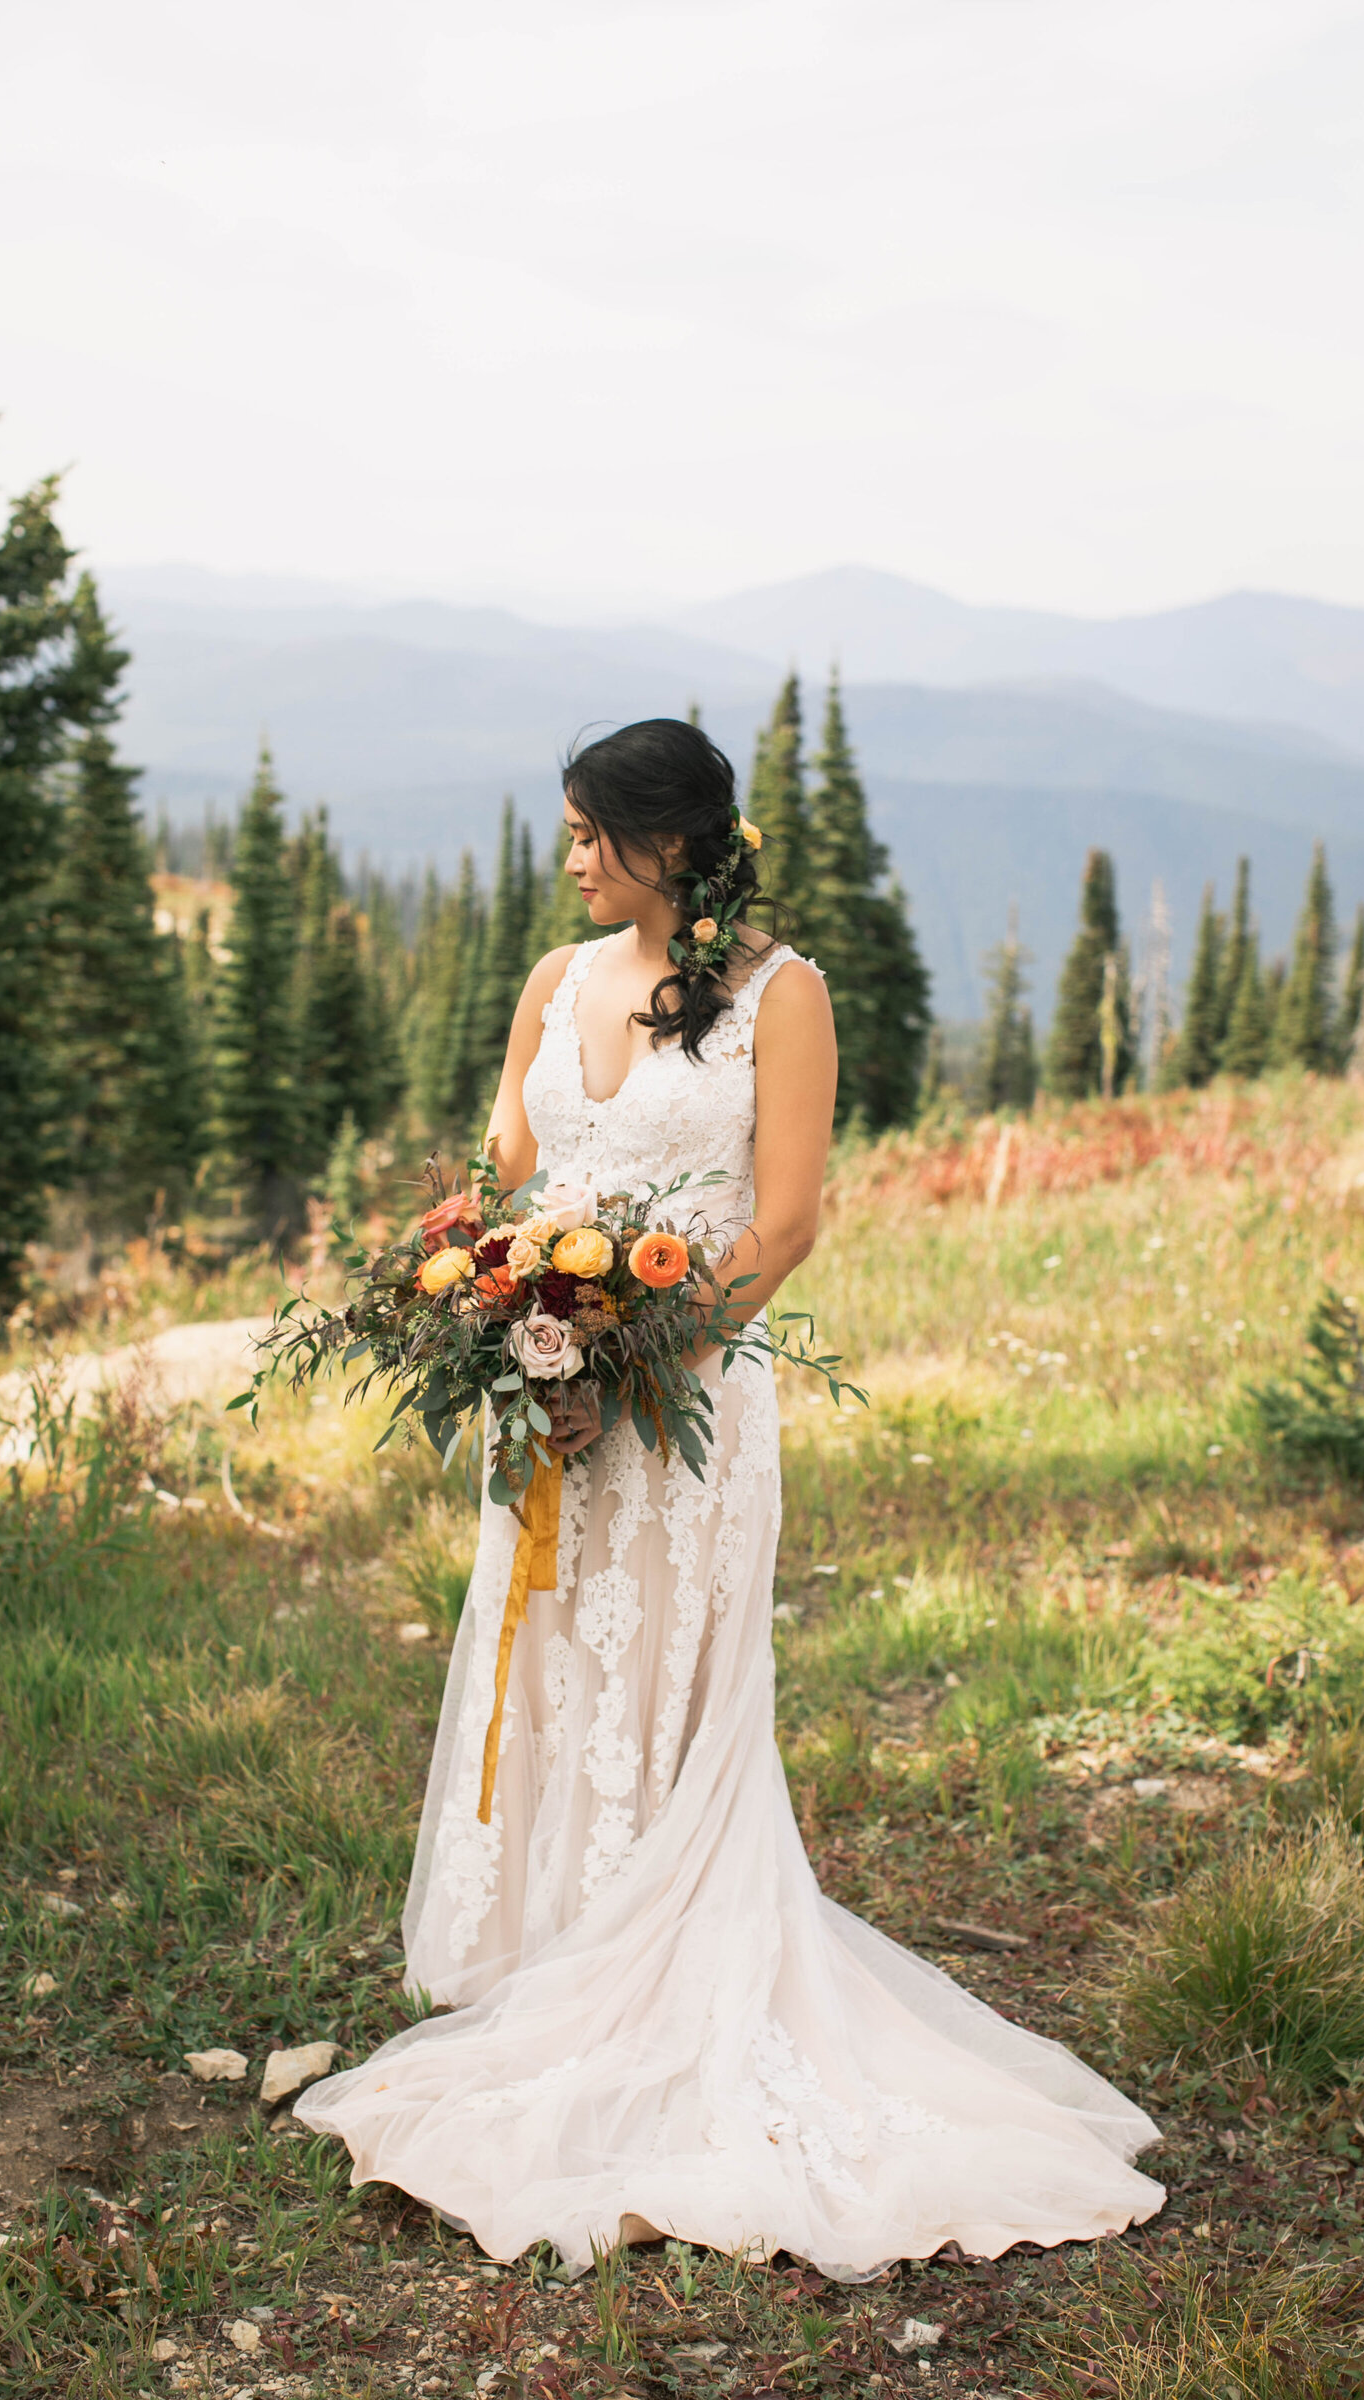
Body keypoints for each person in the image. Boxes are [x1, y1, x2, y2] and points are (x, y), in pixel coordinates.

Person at [297, 718, 1163, 2278]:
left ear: (671, 840)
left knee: (674, 1684)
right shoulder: (552, 987)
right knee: (550, 1663)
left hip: (683, 1403)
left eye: (587, 837)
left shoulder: (787, 994)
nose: (566, 864)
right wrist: (495, 1306)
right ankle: (549, 1959)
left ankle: (671, 1983)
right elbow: (502, 1179)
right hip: (546, 1399)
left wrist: (635, 1360)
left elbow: (785, 1222)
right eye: (564, 836)